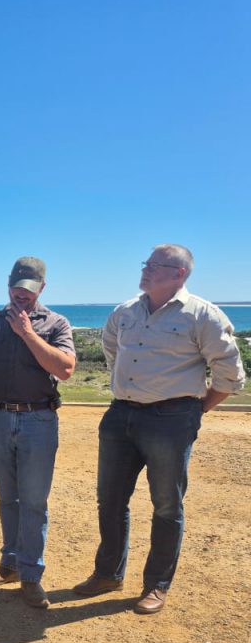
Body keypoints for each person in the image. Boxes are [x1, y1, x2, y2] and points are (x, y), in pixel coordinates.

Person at [73, 244, 246, 614]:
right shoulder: (125, 312)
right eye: (146, 264)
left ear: (179, 274)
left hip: (172, 420)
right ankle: (107, 574)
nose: (146, 270)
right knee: (110, 500)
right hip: (120, 416)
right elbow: (112, 353)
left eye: (156, 265)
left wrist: (195, 410)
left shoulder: (202, 315)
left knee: (166, 505)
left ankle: (156, 585)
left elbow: (230, 375)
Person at [0, 257, 76, 609]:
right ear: (8, 285)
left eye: (28, 290)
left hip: (38, 421)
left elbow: (65, 369)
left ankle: (31, 576)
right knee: (6, 498)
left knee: (33, 502)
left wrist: (27, 333)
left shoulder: (56, 324)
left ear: (42, 288)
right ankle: (10, 564)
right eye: (16, 289)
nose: (21, 296)